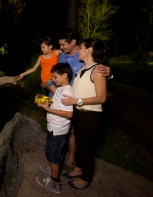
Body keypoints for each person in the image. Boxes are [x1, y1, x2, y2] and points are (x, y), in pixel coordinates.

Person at [47, 28, 112, 172]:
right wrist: (50, 82)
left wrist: (110, 73)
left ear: (73, 42)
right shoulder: (62, 57)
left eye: (63, 44)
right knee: (63, 132)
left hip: (79, 105)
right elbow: (49, 61)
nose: (61, 47)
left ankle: (72, 160)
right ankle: (59, 160)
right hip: (63, 101)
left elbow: (99, 71)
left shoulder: (85, 58)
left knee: (75, 136)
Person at [61, 38, 108, 189]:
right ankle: (78, 169)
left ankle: (86, 178)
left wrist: (76, 101)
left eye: (81, 48)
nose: (78, 51)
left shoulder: (97, 70)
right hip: (80, 114)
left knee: (87, 148)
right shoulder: (83, 69)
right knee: (81, 145)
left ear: (89, 50)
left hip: (91, 116)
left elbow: (101, 98)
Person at [35, 62, 74, 193]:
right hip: (55, 127)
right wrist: (47, 102)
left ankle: (54, 182)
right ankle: (55, 168)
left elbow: (69, 113)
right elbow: (58, 104)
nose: (53, 80)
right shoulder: (61, 89)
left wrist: (48, 109)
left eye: (55, 77)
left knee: (52, 155)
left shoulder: (67, 92)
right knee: (57, 153)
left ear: (65, 75)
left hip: (58, 129)